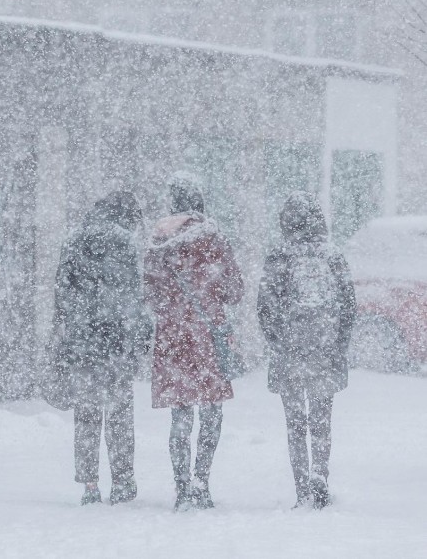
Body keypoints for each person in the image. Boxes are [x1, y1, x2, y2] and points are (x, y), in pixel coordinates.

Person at [143, 172, 243, 511]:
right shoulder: (213, 237)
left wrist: (174, 307)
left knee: (180, 414)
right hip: (207, 334)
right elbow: (234, 291)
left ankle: (182, 486)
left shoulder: (157, 240)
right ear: (199, 200)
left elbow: (151, 295)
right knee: (211, 411)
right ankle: (203, 482)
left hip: (173, 336)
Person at [257, 192, 356, 509]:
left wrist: (279, 342)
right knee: (321, 420)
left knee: (296, 425)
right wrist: (338, 343)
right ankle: (320, 476)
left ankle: (302, 490)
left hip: (290, 350)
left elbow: (265, 308)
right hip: (324, 349)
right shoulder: (333, 255)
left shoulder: (279, 256)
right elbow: (349, 306)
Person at [53, 190, 151, 505]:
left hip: (82, 343)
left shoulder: (73, 241)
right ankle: (122, 481)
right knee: (120, 414)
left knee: (86, 415)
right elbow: (133, 297)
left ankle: (90, 485)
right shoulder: (125, 244)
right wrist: (136, 336)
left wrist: (70, 329)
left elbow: (62, 294)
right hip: (116, 344)